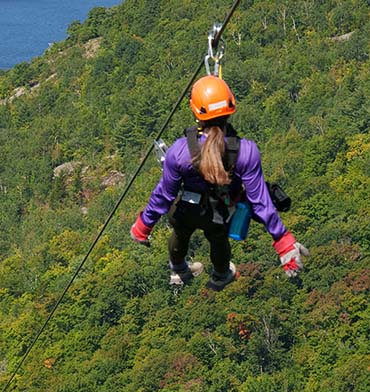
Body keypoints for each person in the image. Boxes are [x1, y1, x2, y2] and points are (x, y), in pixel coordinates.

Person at [130, 75, 309, 290]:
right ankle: (221, 274)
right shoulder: (246, 151)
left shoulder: (179, 152)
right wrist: (283, 241)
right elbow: (260, 201)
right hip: (220, 213)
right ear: (231, 107)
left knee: (180, 230)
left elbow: (164, 194)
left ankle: (178, 268)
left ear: (195, 111)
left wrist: (144, 225)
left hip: (185, 209)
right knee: (218, 237)